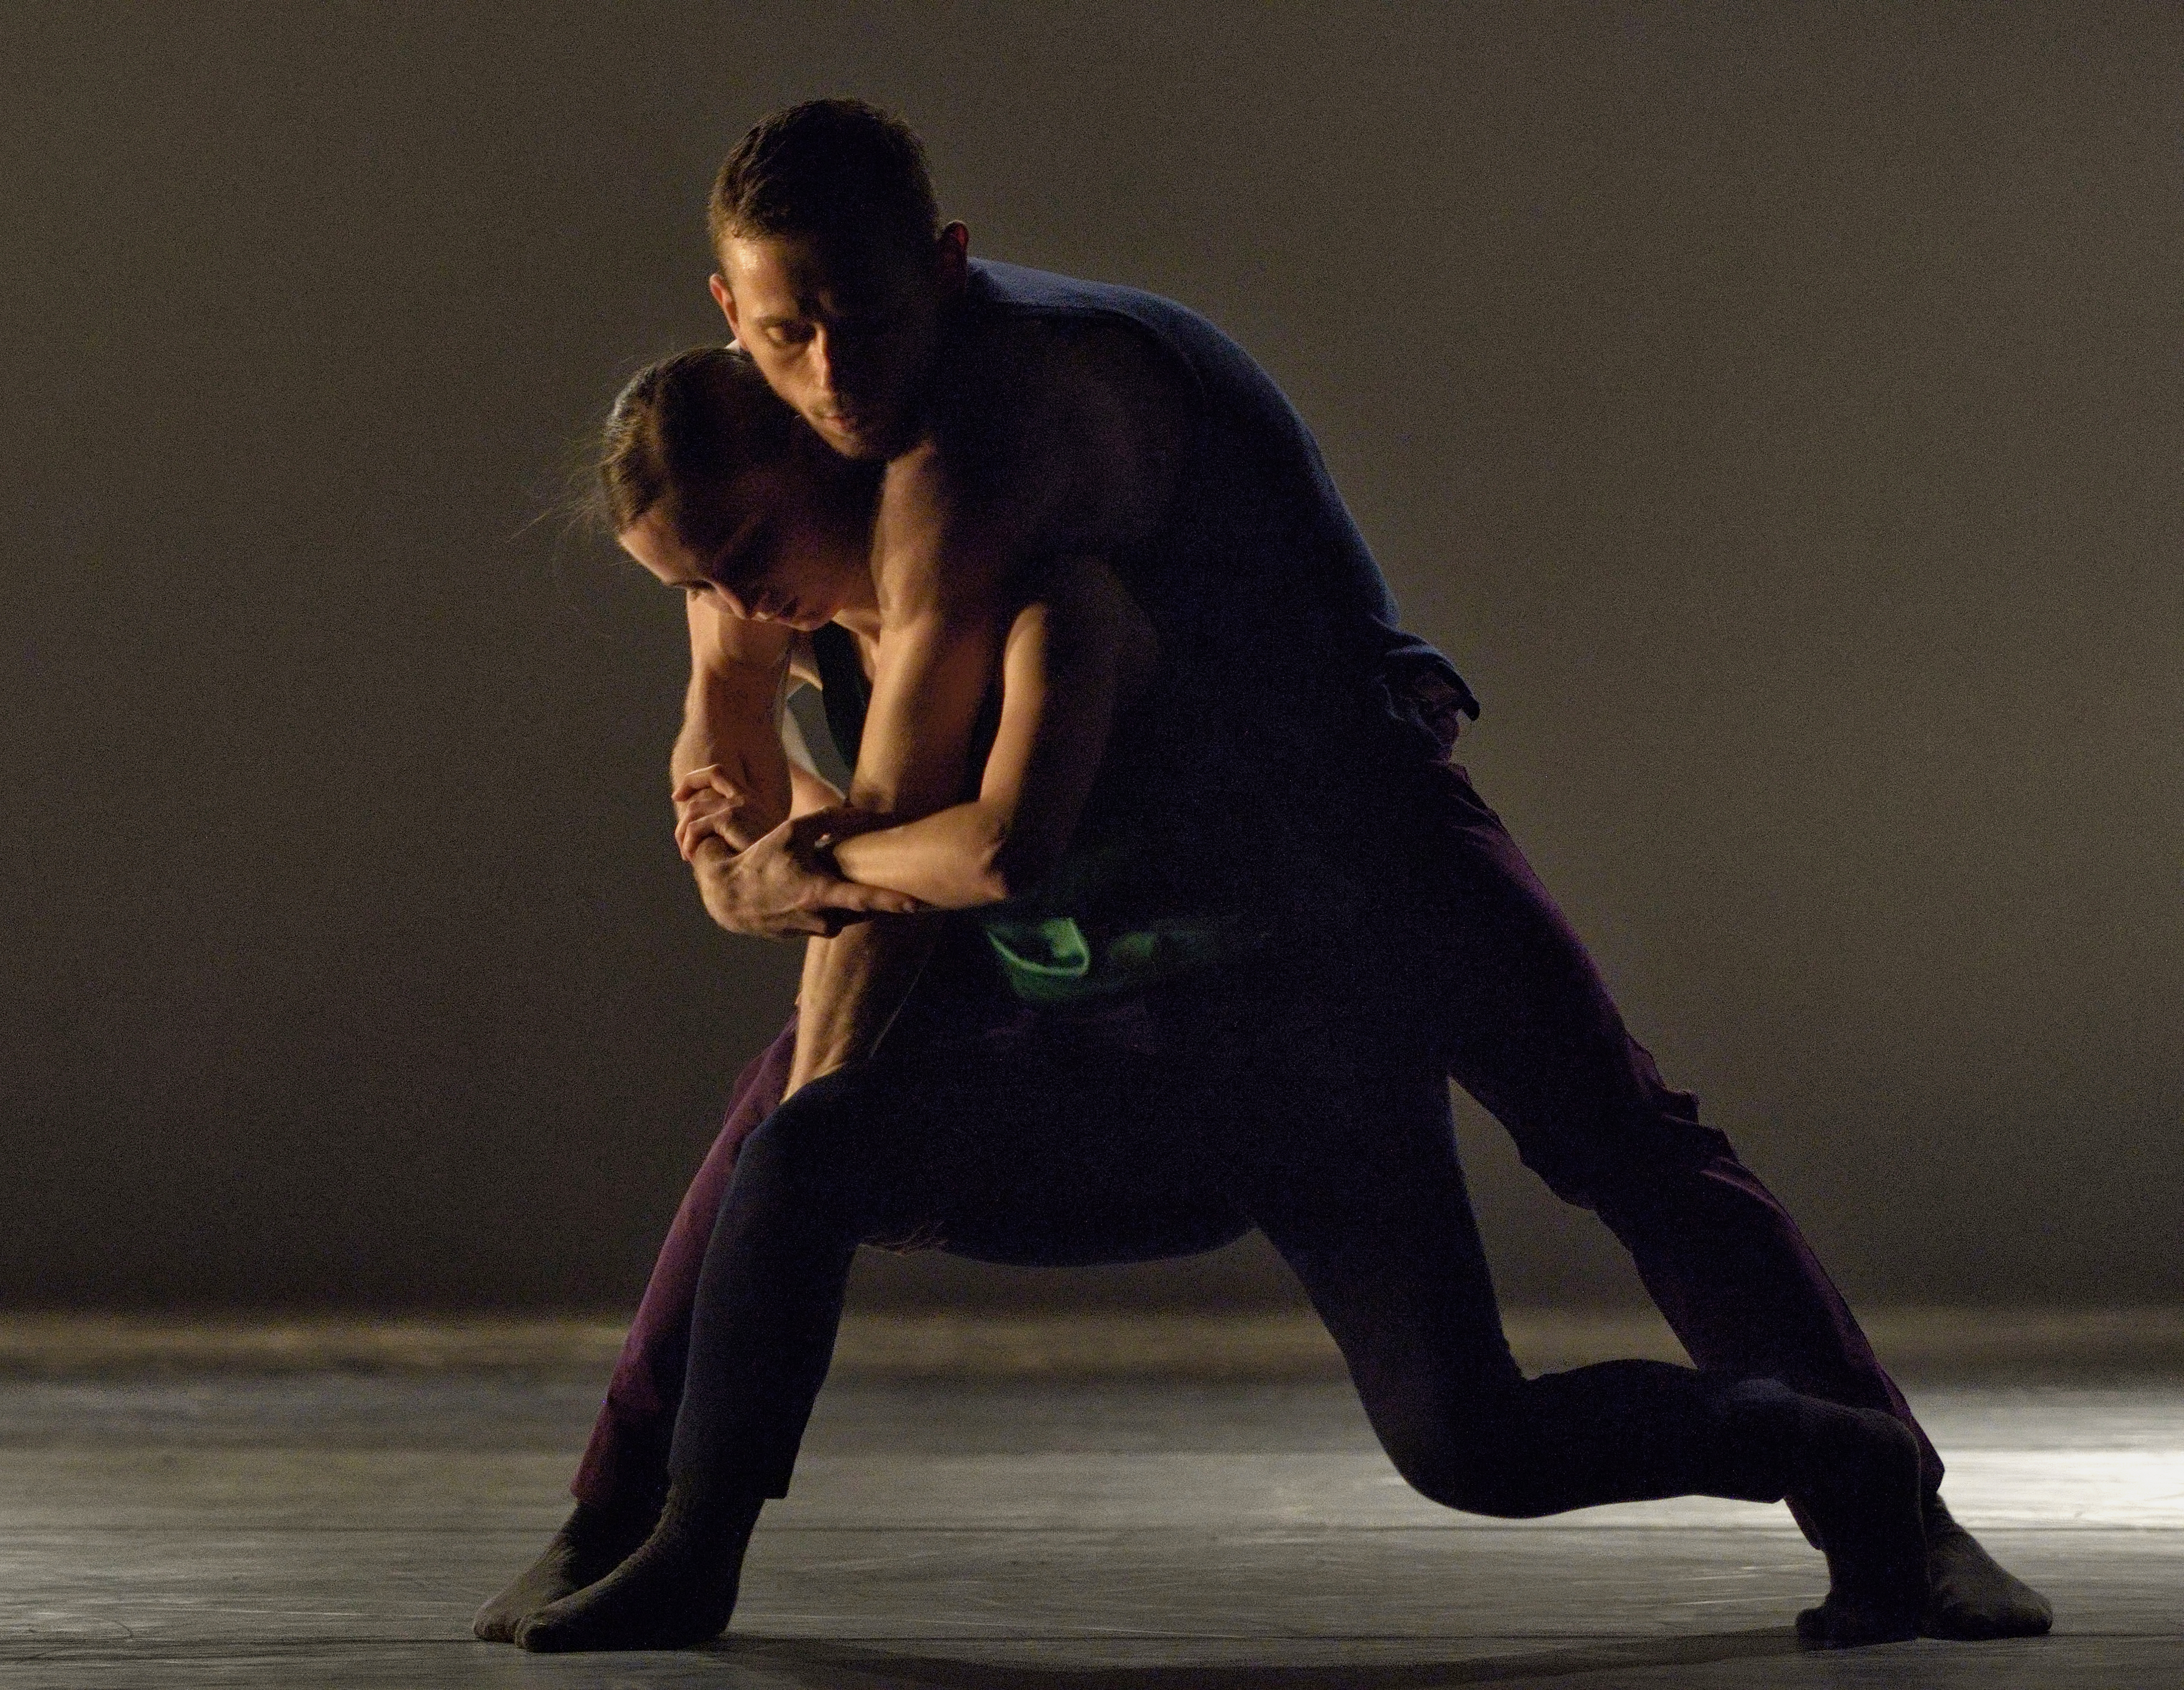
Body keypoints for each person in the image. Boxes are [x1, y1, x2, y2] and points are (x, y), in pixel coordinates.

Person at [482, 99, 2051, 1647]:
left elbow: (921, 830)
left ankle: (1900, 1513)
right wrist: (748, 851)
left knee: (1618, 1141)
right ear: (726, 317)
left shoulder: (984, 448)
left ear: (949, 269)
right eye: (784, 333)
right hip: (1129, 855)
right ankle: (624, 1515)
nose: (832, 372)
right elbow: (734, 718)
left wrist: (784, 900)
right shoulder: (753, 474)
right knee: (795, 1117)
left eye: (866, 319)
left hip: (1349, 808)